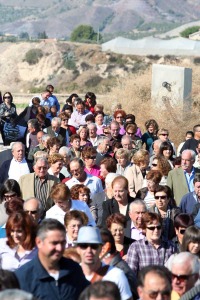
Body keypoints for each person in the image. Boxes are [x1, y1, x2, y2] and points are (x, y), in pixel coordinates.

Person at [15, 219, 89, 299]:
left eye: (62, 243)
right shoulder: (23, 277)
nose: (59, 248)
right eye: (54, 243)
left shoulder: (74, 270)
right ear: (39, 242)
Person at [76, 226, 133, 300]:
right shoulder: (72, 275)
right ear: (78, 249)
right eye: (84, 246)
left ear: (101, 248)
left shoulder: (116, 275)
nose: (89, 250)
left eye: (94, 246)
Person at [100, 228, 138, 300]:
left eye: (94, 246)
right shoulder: (109, 267)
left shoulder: (121, 272)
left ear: (105, 248)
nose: (89, 250)